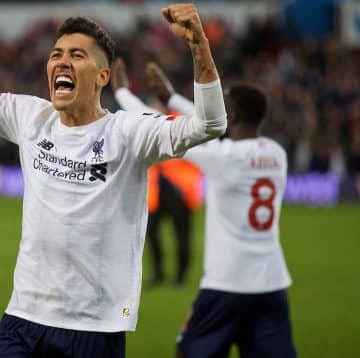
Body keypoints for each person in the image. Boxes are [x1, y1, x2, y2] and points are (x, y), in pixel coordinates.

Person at [0, 0, 227, 357]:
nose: (61, 62)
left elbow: (210, 123)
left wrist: (198, 45)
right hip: (23, 318)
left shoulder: (129, 133)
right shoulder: (29, 117)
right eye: (56, 54)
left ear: (103, 75)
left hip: (94, 328)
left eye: (76, 55)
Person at [113, 62, 296, 357]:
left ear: (231, 115)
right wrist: (171, 97)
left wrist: (122, 93)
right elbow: (209, 124)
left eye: (222, 104)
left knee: (189, 352)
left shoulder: (221, 158)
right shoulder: (277, 154)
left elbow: (161, 125)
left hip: (227, 285)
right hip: (272, 285)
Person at [111, 58, 201, 288]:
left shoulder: (181, 123)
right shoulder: (154, 126)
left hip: (181, 188)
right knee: (151, 232)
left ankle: (180, 278)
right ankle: (159, 274)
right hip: (156, 190)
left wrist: (122, 92)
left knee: (182, 236)